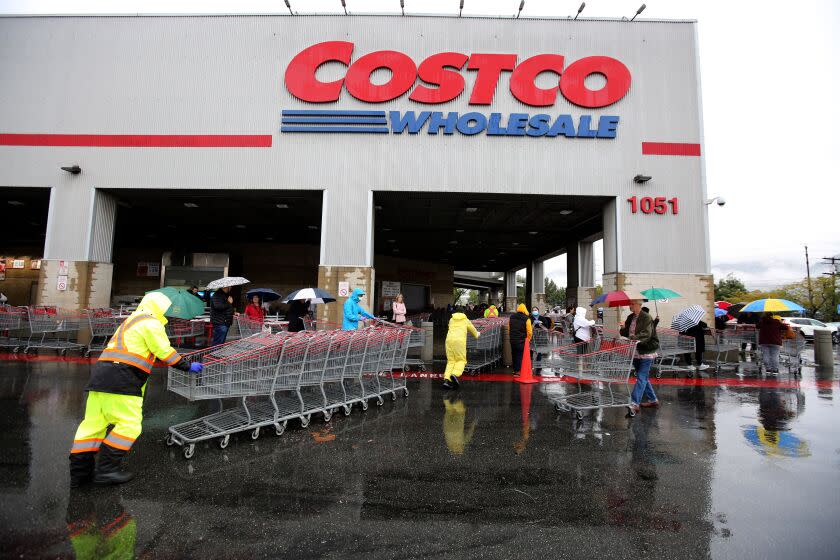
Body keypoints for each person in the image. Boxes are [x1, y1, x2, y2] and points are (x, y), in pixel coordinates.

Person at [68, 292, 203, 486]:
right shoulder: (151, 323)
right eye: (166, 310)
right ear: (159, 308)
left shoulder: (131, 320)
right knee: (129, 425)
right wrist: (187, 366)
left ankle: (79, 475)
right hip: (123, 378)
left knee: (92, 425)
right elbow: (164, 352)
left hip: (101, 377)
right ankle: (107, 470)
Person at [620, 300, 660, 414]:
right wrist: (623, 328)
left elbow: (646, 334)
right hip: (635, 351)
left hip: (646, 350)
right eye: (629, 304)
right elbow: (625, 333)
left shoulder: (646, 317)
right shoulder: (630, 317)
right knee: (643, 377)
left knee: (641, 377)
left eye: (632, 304)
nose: (630, 306)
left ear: (639, 304)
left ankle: (634, 403)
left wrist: (631, 338)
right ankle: (653, 400)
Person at [442, 311, 481, 389]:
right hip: (459, 342)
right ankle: (455, 374)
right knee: (461, 360)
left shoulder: (451, 320)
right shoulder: (466, 320)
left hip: (449, 341)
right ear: (463, 313)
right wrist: (478, 334)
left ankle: (446, 380)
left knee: (451, 361)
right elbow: (474, 332)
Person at [508, 303, 532, 374]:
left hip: (512, 339)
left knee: (514, 354)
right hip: (521, 340)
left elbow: (509, 328)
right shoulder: (527, 319)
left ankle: (514, 369)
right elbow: (529, 331)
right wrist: (528, 339)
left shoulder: (511, 317)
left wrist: (511, 336)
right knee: (519, 354)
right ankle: (518, 371)